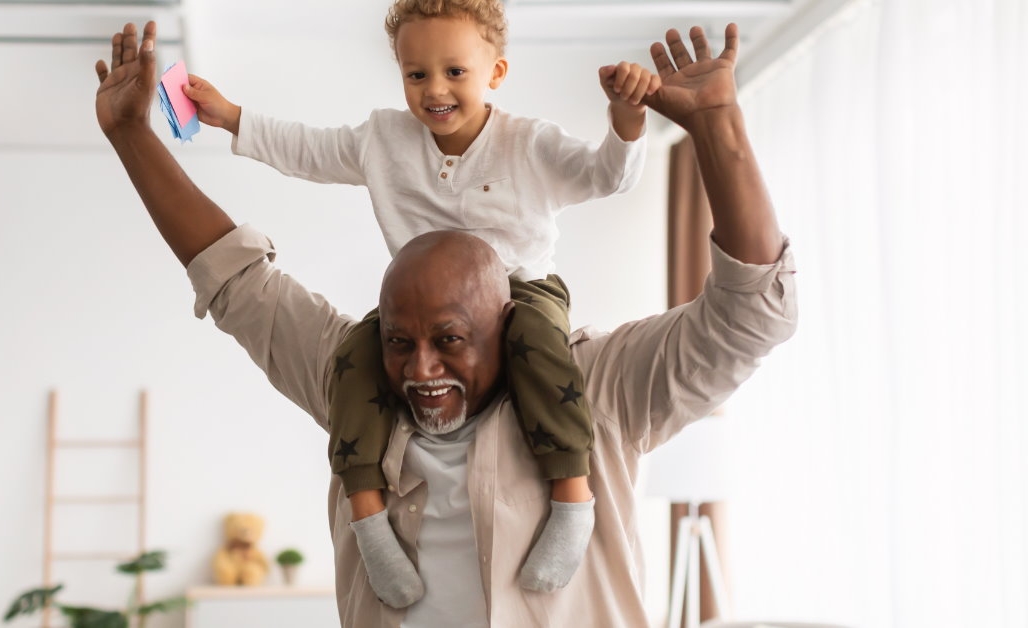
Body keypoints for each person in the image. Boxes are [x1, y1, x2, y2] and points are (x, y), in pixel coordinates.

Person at [93, 19, 797, 628]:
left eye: (451, 341)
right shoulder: (356, 376)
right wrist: (132, 137)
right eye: (401, 341)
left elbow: (749, 315)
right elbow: (237, 281)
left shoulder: (598, 386)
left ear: (505, 322)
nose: (420, 370)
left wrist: (717, 128)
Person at [179, 0, 664, 604]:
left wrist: (626, 123)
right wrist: (232, 118)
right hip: (418, 306)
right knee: (354, 360)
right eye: (416, 74)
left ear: (497, 73)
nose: (434, 90)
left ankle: (571, 499)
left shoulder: (529, 144)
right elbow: (308, 149)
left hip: (519, 294)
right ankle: (369, 520)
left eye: (455, 72)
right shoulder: (384, 138)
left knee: (542, 349)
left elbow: (605, 177)